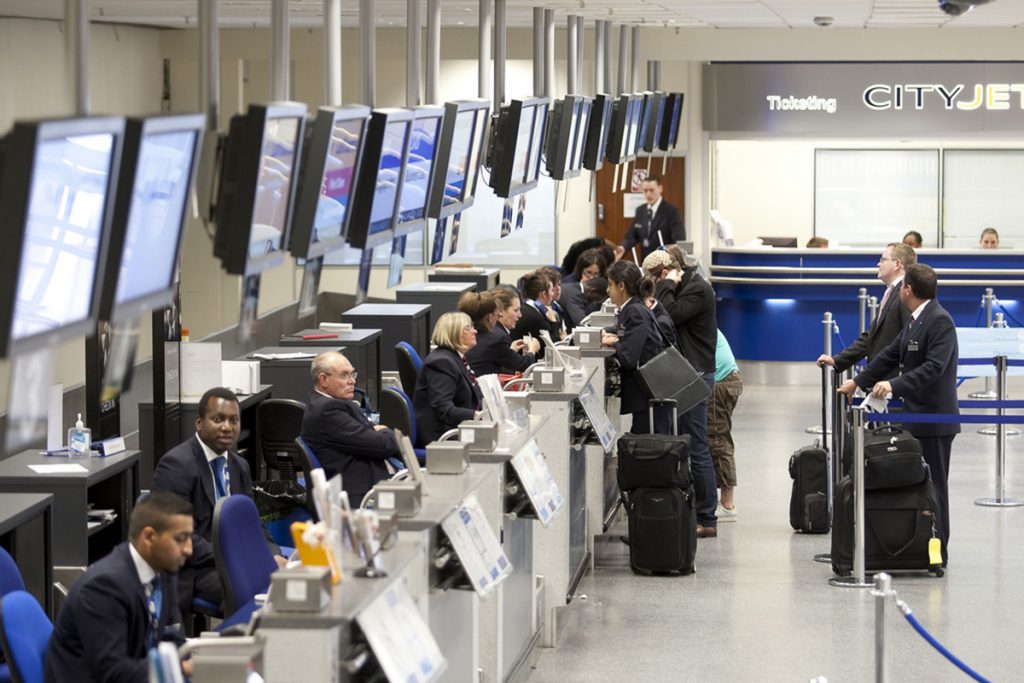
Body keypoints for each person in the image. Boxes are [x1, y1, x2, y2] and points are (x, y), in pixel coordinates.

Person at [837, 264, 959, 565]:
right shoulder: (917, 320)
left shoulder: (939, 321)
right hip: (914, 416)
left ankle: (937, 552)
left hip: (935, 421)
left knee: (936, 486)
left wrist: (893, 385)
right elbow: (891, 353)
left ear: (908, 290)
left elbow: (934, 368)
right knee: (917, 484)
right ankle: (920, 546)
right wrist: (858, 380)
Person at [152, 387, 285, 615]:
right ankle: (241, 644)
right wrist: (236, 556)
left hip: (233, 559)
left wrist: (272, 553)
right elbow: (176, 536)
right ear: (199, 423)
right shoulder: (176, 465)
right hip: (194, 568)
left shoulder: (238, 465)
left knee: (289, 583)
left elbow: (254, 522)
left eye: (233, 420)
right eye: (218, 419)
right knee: (253, 592)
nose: (227, 427)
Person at [46, 491, 194, 683]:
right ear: (149, 537)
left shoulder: (163, 569)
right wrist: (182, 669)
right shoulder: (104, 588)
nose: (189, 549)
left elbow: (171, 636)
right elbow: (113, 673)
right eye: (180, 538)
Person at [643, 248, 720, 538]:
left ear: (664, 272)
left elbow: (669, 314)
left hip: (695, 373)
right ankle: (698, 509)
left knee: (696, 444)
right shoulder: (687, 286)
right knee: (690, 442)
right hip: (685, 372)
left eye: (655, 279)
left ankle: (707, 517)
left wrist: (666, 286)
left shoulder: (697, 289)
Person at [300, 351, 402, 506]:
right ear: (324, 380)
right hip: (364, 495)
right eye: (344, 375)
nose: (352, 381)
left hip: (376, 477)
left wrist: (377, 431)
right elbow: (384, 445)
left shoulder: (334, 402)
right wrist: (386, 430)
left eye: (352, 374)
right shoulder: (326, 411)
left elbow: (372, 434)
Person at [817, 243, 915, 377]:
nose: (878, 264)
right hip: (884, 379)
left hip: (894, 382)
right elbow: (872, 336)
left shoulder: (906, 293)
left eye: (882, 260)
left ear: (897, 264)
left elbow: (909, 340)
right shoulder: (891, 292)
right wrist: (837, 360)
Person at [601, 261, 672, 435]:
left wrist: (613, 342)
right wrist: (610, 333)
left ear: (621, 286)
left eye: (610, 285)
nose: (608, 290)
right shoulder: (634, 308)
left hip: (649, 397)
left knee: (648, 449)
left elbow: (628, 359)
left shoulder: (635, 311)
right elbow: (627, 331)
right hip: (649, 397)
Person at [413, 311, 484, 447]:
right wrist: (477, 416)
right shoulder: (441, 362)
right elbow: (443, 409)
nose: (474, 331)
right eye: (468, 328)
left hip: (457, 427)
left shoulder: (455, 357)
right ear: (454, 333)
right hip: (443, 436)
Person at [708, 330, 743, 520]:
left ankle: (728, 505)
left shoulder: (686, 315)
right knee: (716, 437)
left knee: (717, 439)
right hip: (726, 379)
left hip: (721, 382)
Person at [463, 290, 537, 376]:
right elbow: (524, 365)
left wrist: (510, 351)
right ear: (490, 317)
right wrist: (532, 350)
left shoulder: (466, 335)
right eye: (496, 315)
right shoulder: (495, 339)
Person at [615, 175, 685, 261]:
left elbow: (679, 239)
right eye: (645, 191)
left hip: (665, 262)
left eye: (651, 190)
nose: (648, 194)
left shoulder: (671, 211)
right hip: (646, 261)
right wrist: (623, 247)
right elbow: (632, 235)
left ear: (660, 189)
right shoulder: (640, 210)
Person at [513, 270, 562, 356]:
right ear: (543, 294)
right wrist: (554, 322)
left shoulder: (528, 308)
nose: (552, 294)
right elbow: (553, 348)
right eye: (551, 290)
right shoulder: (535, 316)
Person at [560, 248, 607, 327]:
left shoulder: (600, 286)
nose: (592, 278)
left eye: (596, 274)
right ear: (581, 270)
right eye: (588, 272)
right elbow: (582, 319)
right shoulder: (569, 283)